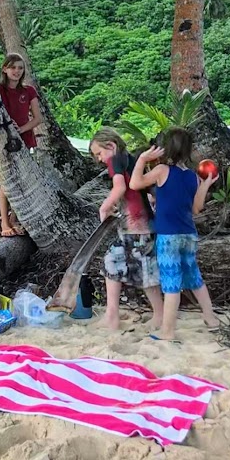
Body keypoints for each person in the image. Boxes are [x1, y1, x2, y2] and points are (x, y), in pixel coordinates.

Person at [129, 127, 220, 341]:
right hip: (188, 235)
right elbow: (197, 208)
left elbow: (135, 183)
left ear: (166, 148)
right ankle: (211, 319)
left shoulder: (162, 170)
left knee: (171, 284)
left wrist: (142, 159)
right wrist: (205, 184)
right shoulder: (192, 176)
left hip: (168, 236)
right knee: (194, 278)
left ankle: (168, 333)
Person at [89, 128, 163, 330]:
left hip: (139, 227)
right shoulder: (131, 159)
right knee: (111, 262)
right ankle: (111, 314)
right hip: (130, 225)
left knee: (147, 273)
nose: (99, 159)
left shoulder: (116, 160)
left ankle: (160, 314)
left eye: (99, 153)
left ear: (111, 146)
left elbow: (120, 187)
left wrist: (104, 206)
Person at [0, 53, 43, 236]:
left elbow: (37, 118)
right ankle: (4, 222)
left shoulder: (28, 91)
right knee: (5, 181)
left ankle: (15, 218)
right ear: (5, 69)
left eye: (20, 68)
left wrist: (21, 130)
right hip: (3, 139)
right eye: (13, 67)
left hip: (24, 139)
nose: (16, 71)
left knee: (22, 177)